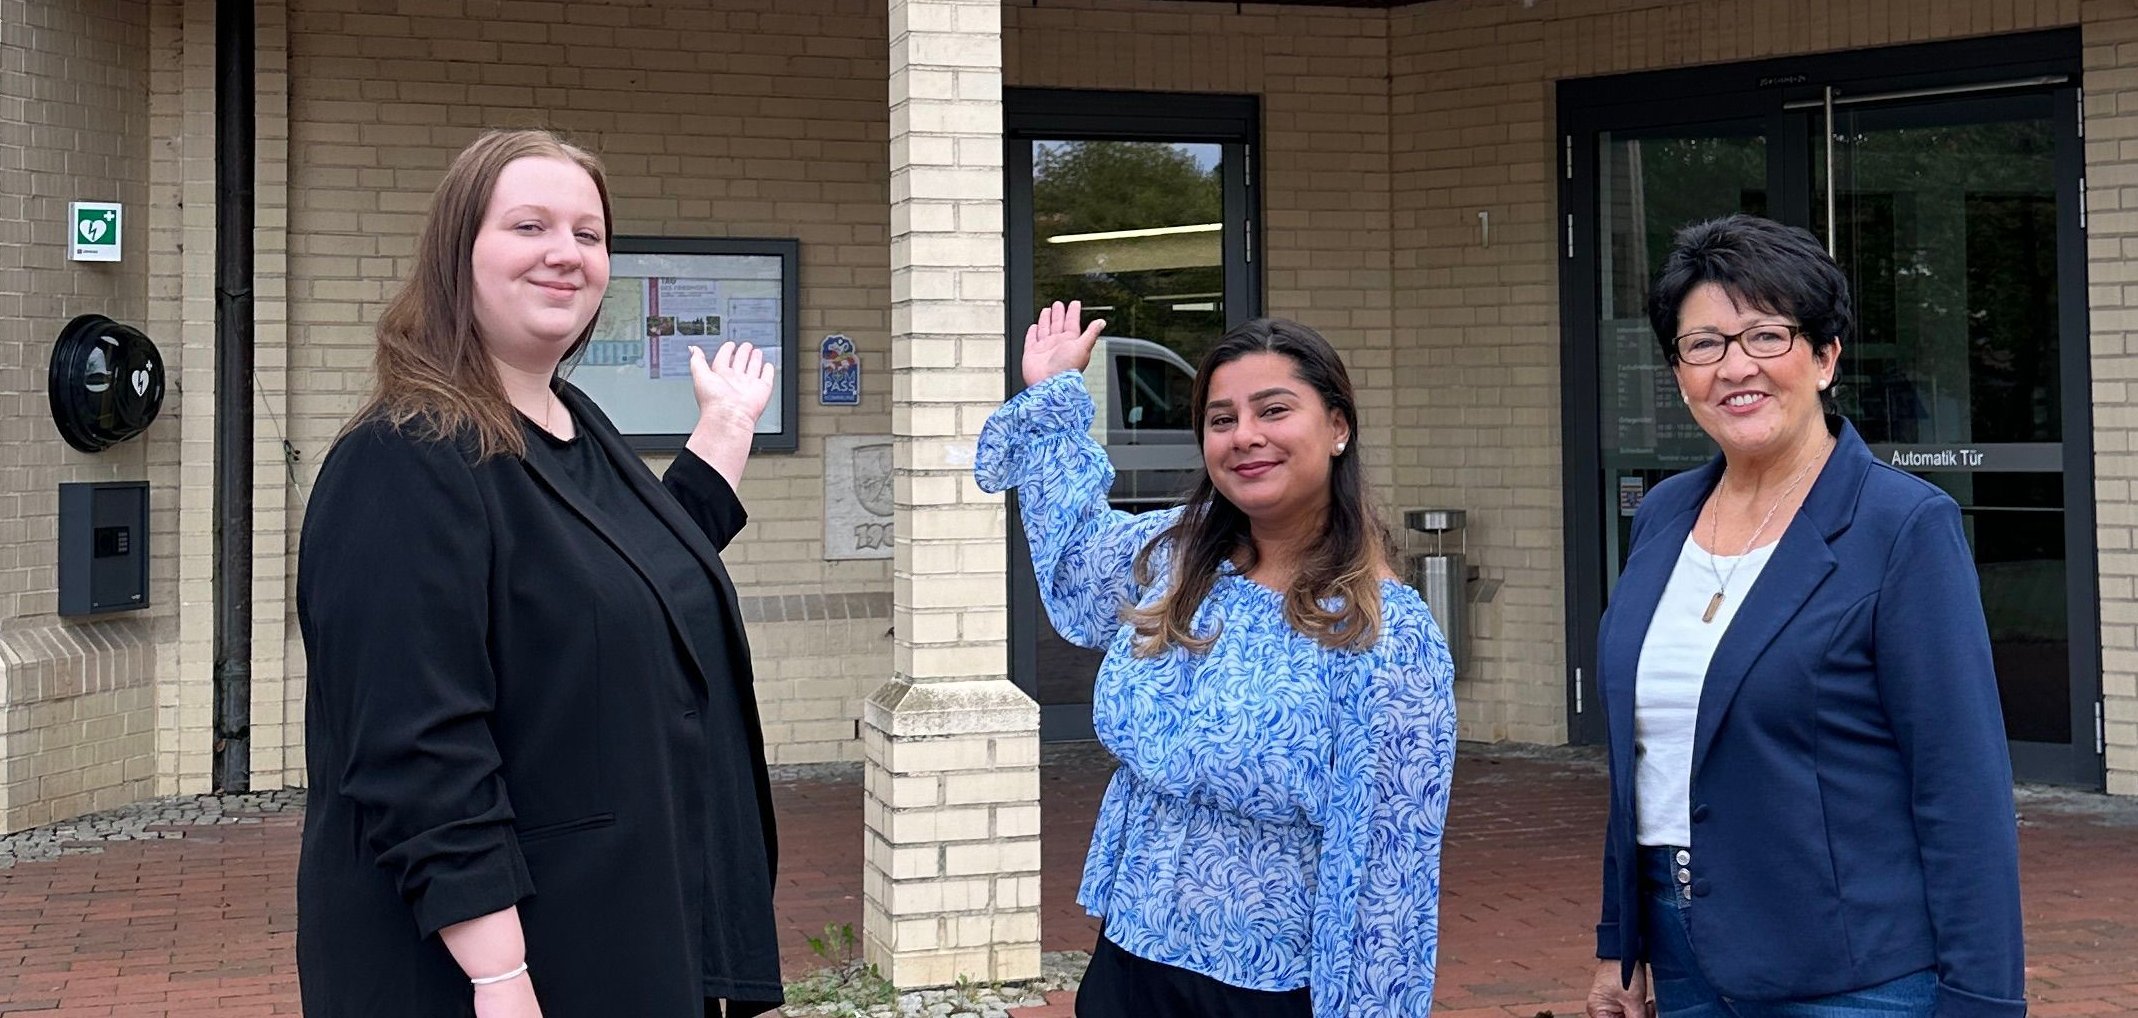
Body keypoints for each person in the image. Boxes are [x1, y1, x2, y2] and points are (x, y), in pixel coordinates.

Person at [295, 129, 784, 1018]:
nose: (566, 254)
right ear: (458, 253)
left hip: (623, 935)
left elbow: (627, 574)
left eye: (588, 234)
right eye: (529, 226)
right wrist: (498, 978)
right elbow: (417, 750)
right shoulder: (403, 459)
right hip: (507, 968)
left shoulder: (571, 421)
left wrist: (723, 433)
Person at [1584, 215, 2025, 1018]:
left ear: (1825, 357)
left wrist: (1984, 1001)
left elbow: (1962, 789)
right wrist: (1624, 943)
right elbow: (1645, 757)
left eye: (1765, 336)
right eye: (1704, 344)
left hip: (1855, 978)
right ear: (1679, 371)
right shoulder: (1662, 517)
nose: (1734, 367)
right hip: (1683, 963)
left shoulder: (1901, 525)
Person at [975, 302, 1457, 1018]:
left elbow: (1386, 874)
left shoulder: (1381, 633)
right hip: (1130, 957)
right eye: (1222, 420)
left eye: (1273, 410)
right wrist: (1054, 394)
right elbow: (1077, 571)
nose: (1246, 437)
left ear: (1338, 427)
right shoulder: (1177, 555)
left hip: (1266, 987)